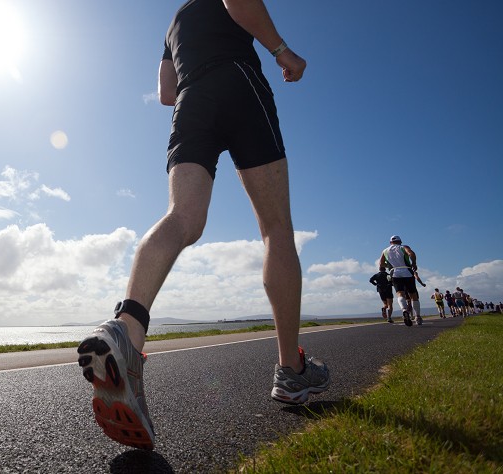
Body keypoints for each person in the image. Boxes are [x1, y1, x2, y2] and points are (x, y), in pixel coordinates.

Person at [76, 0, 329, 451]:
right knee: (276, 231)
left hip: (190, 101)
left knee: (183, 219)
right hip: (237, 80)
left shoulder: (172, 22)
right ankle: (291, 371)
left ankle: (127, 328)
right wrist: (280, 49)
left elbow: (165, 93)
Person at [379, 235, 421, 326]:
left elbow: (381, 264)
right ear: (400, 241)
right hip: (407, 271)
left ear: (390, 242)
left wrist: (390, 266)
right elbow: (411, 254)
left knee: (400, 293)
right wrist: (414, 263)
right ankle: (417, 316)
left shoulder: (385, 251)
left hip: (394, 272)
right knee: (413, 295)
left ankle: (404, 310)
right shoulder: (404, 247)